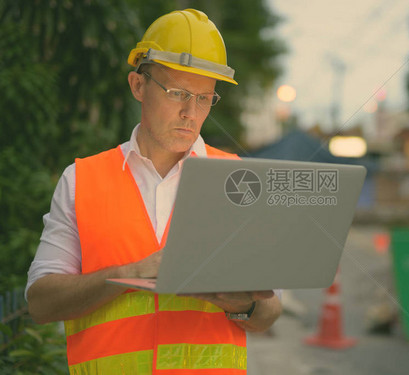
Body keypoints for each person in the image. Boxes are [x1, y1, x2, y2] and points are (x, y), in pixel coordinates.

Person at [25, 8, 282, 374]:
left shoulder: (239, 181)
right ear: (138, 86)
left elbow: (269, 314)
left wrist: (242, 303)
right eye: (178, 93)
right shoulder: (82, 179)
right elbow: (40, 303)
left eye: (205, 98)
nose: (190, 112)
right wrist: (133, 273)